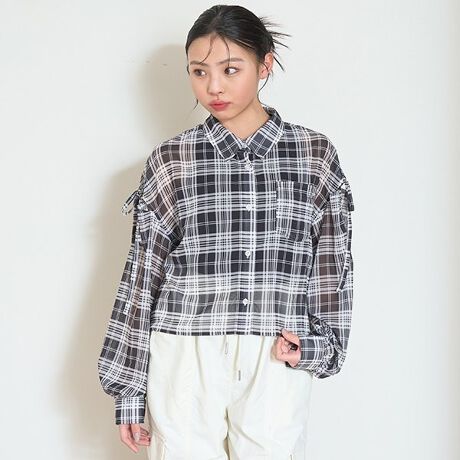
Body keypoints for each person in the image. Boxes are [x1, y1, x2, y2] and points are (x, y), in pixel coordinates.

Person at [97, 4, 355, 459]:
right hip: (185, 353)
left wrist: (320, 346)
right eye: (199, 72)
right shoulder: (172, 159)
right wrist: (129, 390)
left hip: (275, 352)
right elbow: (142, 274)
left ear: (265, 64)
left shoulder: (314, 154)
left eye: (230, 69)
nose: (213, 87)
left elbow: (333, 264)